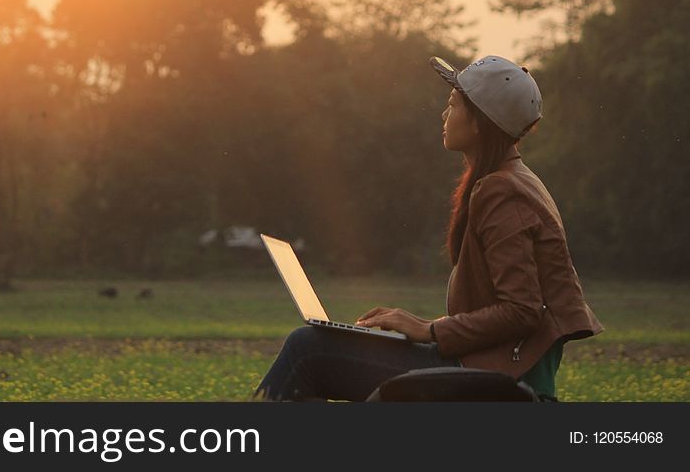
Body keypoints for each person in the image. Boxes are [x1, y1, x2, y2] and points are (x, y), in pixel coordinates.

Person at [253, 54, 604, 401]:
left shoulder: (503, 190)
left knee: (307, 349)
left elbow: (522, 310)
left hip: (496, 379)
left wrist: (429, 329)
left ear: (480, 122)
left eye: (453, 104)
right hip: (484, 365)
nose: (444, 114)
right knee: (315, 346)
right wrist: (424, 329)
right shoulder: (518, 180)